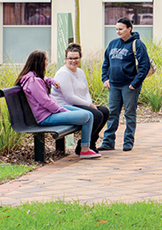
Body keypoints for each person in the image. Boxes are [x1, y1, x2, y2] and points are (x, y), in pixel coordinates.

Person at [16, 50, 101, 159]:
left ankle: (85, 149)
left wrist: (51, 81)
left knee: (89, 114)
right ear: (39, 62)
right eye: (46, 60)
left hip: (50, 112)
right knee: (87, 116)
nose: (47, 63)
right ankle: (85, 150)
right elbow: (46, 102)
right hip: (45, 117)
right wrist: (63, 110)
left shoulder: (33, 76)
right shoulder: (33, 81)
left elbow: (44, 79)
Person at [99, 17, 150, 152]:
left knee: (129, 114)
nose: (118, 32)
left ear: (129, 29)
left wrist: (135, 83)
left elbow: (144, 66)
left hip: (129, 86)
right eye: (116, 29)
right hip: (114, 86)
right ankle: (108, 142)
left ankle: (128, 142)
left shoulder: (137, 44)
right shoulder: (112, 44)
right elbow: (106, 63)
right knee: (112, 114)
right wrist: (105, 78)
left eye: (120, 29)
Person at [51, 43, 110, 154]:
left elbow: (86, 92)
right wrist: (90, 106)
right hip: (66, 106)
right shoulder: (63, 73)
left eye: (76, 58)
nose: (73, 61)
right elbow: (70, 97)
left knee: (104, 111)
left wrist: (90, 103)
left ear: (80, 58)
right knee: (96, 115)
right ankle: (83, 145)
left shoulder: (80, 72)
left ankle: (90, 143)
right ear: (65, 59)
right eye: (70, 58)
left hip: (78, 104)